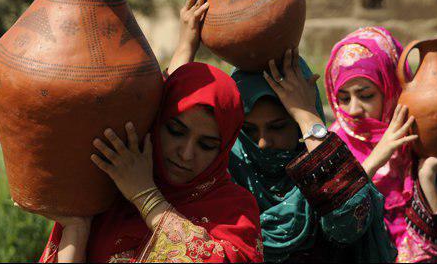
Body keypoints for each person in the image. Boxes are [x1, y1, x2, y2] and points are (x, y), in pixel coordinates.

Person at [168, 0, 397, 262]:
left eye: (278, 127)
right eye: (250, 131)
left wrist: (307, 116)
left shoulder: (322, 172)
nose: (263, 143)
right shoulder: (223, 174)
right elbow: (168, 127)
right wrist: (186, 45)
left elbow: (349, 218)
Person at [27, 61, 264, 263]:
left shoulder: (234, 210)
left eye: (206, 145)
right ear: (156, 121)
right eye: (175, 131)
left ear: (223, 149)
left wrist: (145, 195)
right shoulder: (109, 189)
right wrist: (76, 228)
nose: (186, 154)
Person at [324, 26, 437, 262]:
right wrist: (376, 159)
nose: (353, 110)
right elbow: (331, 228)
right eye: (343, 98)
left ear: (391, 88)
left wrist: (428, 175)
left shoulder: (420, 141)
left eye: (366, 96)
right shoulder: (330, 149)